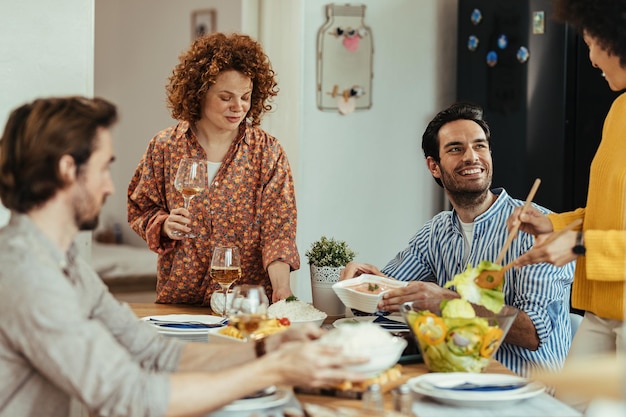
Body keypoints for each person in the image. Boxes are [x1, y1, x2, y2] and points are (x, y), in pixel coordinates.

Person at [0, 96, 365, 417]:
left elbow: (156, 355)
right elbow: (130, 398)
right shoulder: (28, 274)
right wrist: (276, 370)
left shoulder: (65, 266)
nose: (110, 186)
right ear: (68, 170)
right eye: (103, 168)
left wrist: (265, 350)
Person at [341, 102, 575, 377]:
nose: (472, 157)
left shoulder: (539, 229)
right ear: (434, 166)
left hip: (524, 392)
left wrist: (446, 302)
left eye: (480, 146)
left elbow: (534, 332)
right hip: (455, 380)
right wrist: (364, 284)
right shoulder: (436, 232)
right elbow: (390, 295)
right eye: (455, 149)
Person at [128, 32, 298, 306]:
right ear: (199, 92)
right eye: (226, 97)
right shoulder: (164, 147)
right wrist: (163, 225)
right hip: (180, 300)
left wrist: (282, 287)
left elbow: (278, 231)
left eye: (246, 97)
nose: (238, 107)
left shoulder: (268, 152)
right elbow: (140, 208)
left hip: (247, 304)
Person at [509, 0, 625, 364]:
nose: (590, 58)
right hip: (603, 308)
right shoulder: (619, 111)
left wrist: (579, 246)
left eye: (591, 42)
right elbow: (614, 212)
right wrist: (553, 224)